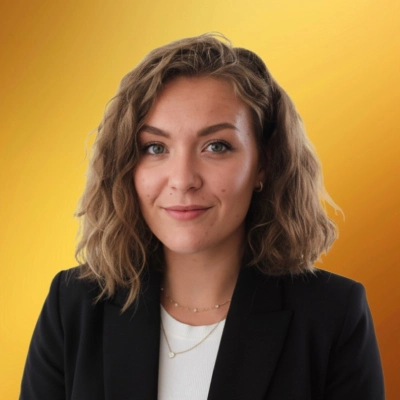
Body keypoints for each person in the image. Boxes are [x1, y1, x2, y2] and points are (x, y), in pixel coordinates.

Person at [20, 33, 384, 400]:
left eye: (216, 146)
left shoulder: (333, 314)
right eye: (155, 147)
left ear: (264, 164)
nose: (182, 180)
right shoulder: (72, 306)